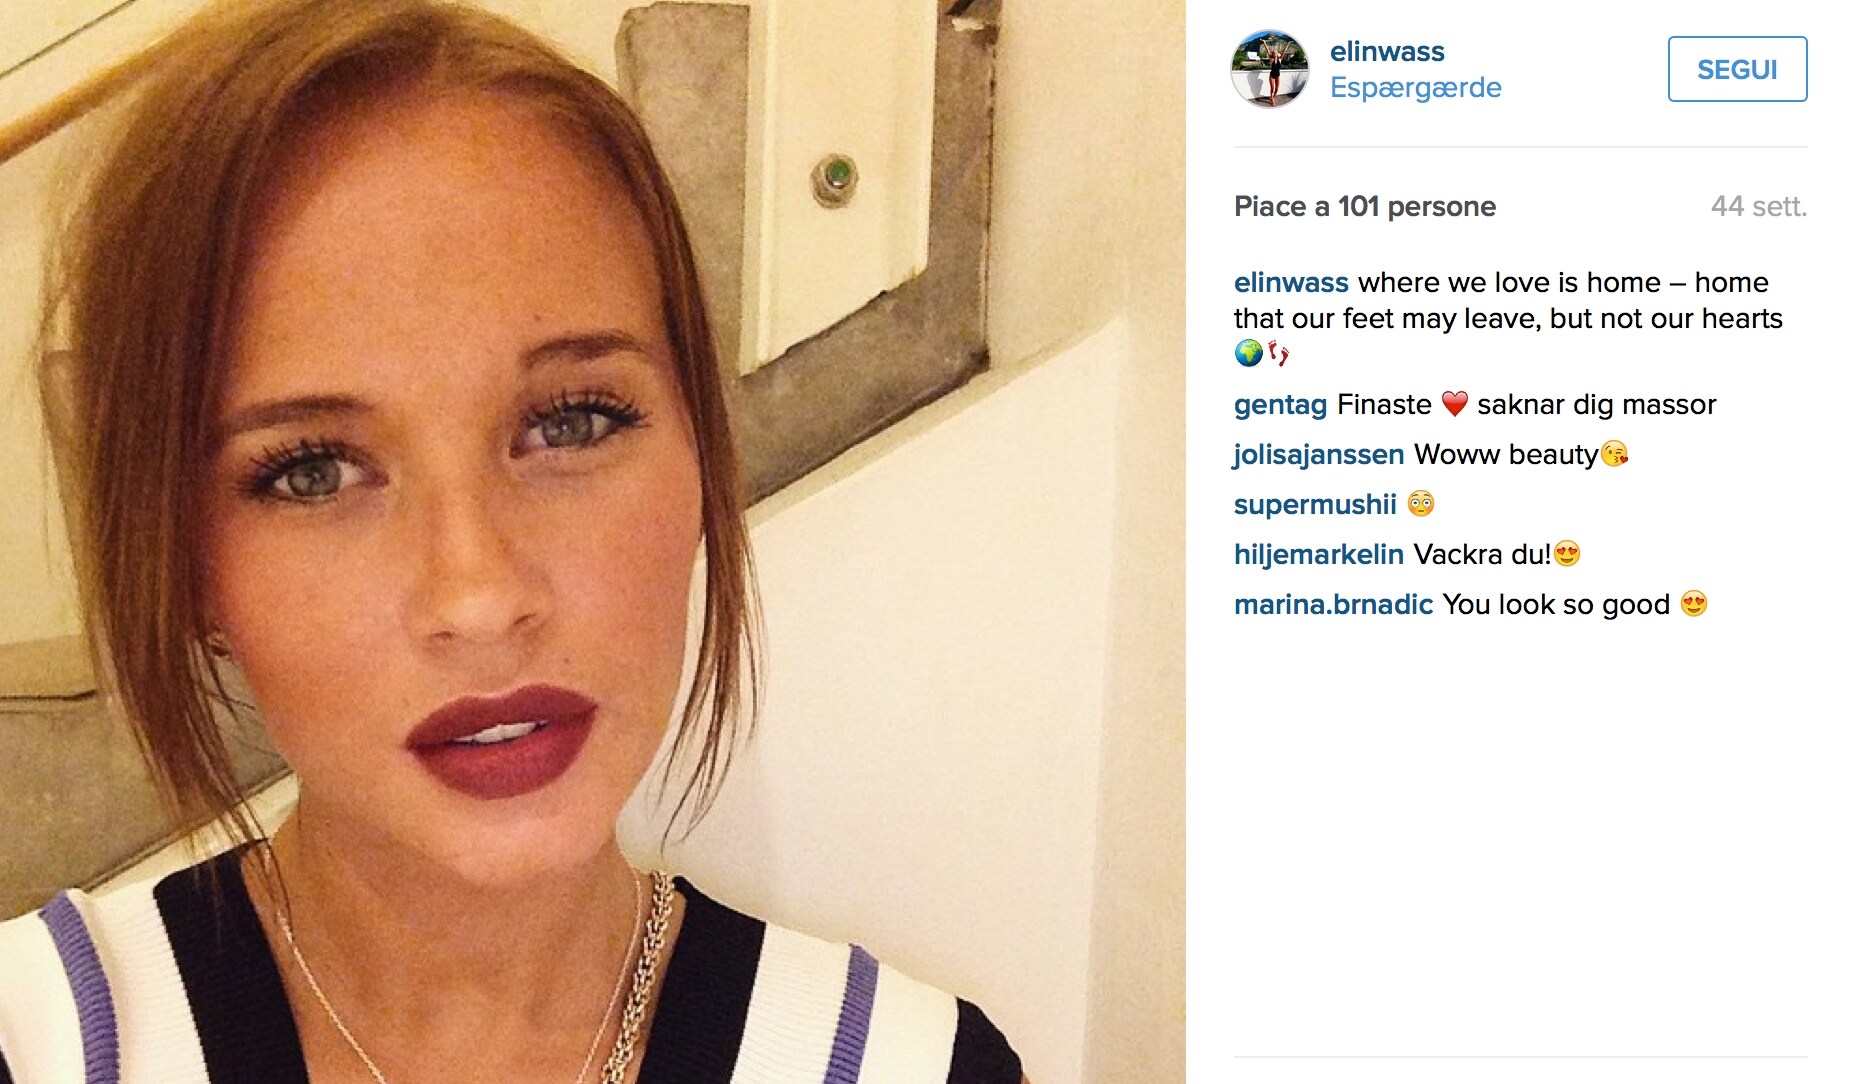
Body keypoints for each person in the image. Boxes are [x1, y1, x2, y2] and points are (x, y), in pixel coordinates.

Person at [0, 1, 1025, 1081]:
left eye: (572, 422)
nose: (480, 596)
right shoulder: (38, 1039)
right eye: (313, 471)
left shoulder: (906, 1065)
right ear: (186, 565)